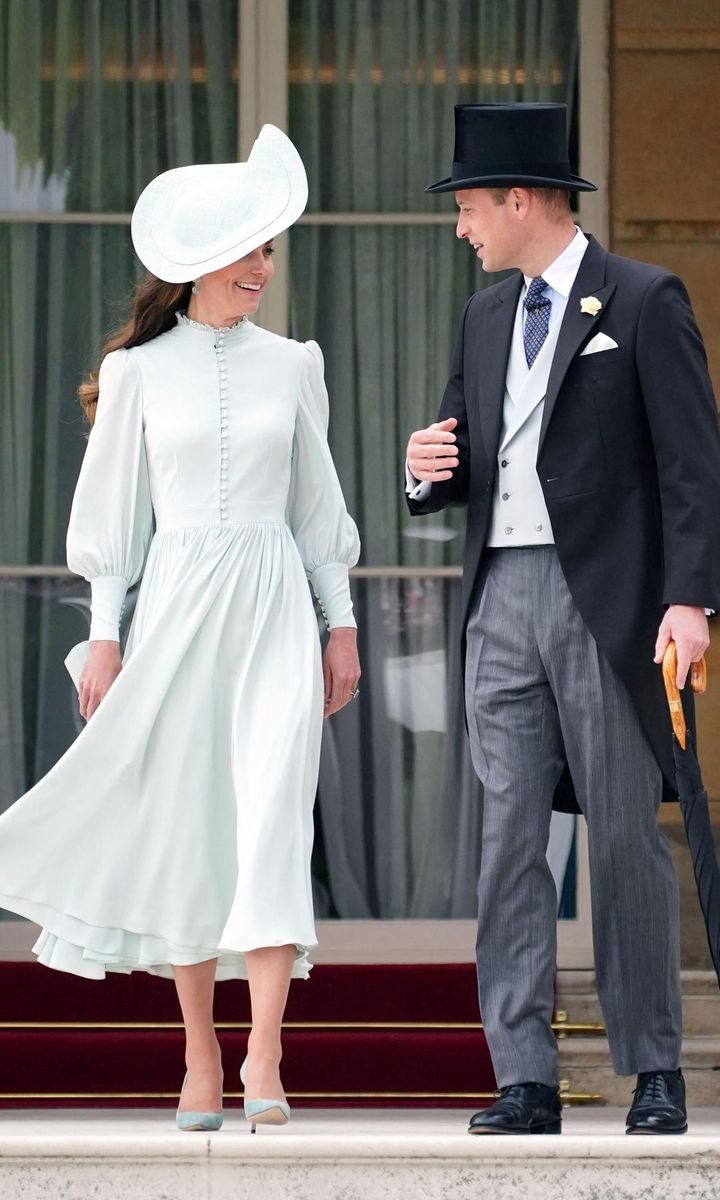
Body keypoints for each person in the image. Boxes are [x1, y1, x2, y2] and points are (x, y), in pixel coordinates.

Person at [0, 125, 361, 1133]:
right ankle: (201, 1053)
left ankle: (266, 1053)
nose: (263, 267)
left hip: (276, 605)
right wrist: (106, 636)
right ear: (200, 262)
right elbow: (112, 524)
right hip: (175, 610)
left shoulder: (295, 365)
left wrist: (341, 626)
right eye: (248, 249)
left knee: (274, 821)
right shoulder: (135, 377)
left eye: (268, 249)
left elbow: (317, 513)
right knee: (191, 828)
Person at [406, 103, 720, 1136]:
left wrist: (689, 601)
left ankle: (654, 1070)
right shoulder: (485, 315)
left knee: (625, 834)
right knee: (506, 842)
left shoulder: (642, 297)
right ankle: (525, 1078)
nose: (462, 228)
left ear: (520, 200)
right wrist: (426, 474)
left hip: (608, 606)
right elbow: (470, 450)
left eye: (468, 208)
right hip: (503, 601)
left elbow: (691, 467)